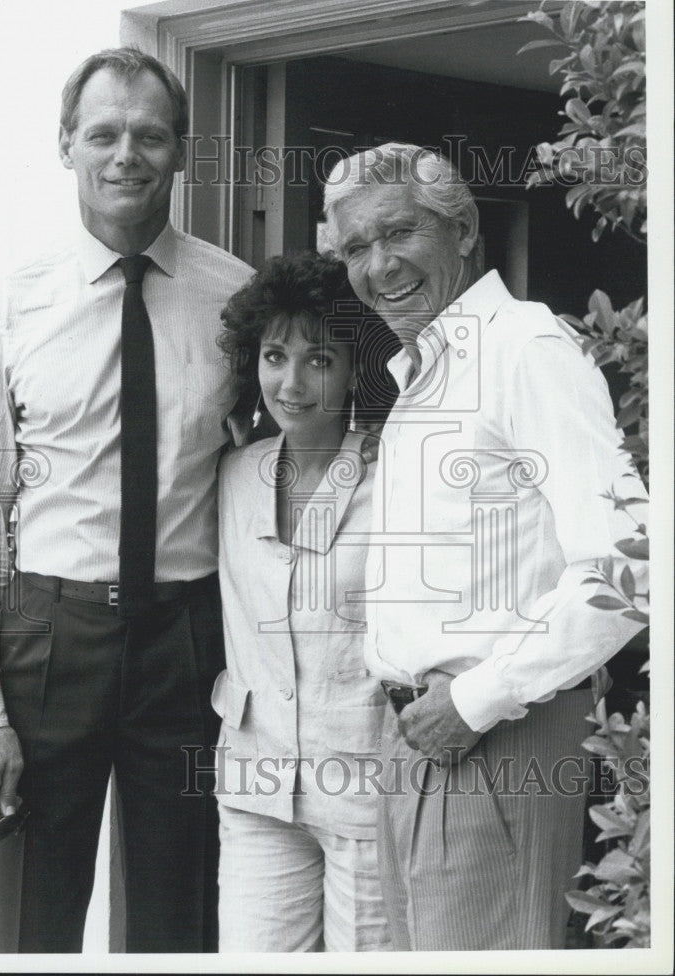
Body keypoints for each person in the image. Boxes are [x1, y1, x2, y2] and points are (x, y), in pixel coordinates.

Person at [0, 48, 253, 952]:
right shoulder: (12, 303)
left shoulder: (233, 300)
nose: (127, 154)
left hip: (189, 644)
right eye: (104, 133)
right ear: (66, 146)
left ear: (182, 151)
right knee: (32, 923)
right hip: (49, 638)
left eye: (150, 135)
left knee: (179, 921)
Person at [322, 142, 649, 950]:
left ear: (464, 231)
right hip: (421, 742)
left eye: (398, 234)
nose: (378, 266)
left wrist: (476, 701)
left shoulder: (524, 350)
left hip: (494, 740)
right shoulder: (426, 372)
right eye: (356, 248)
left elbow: (632, 566)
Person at [212, 251, 392, 952]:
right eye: (275, 355)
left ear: (353, 370)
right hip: (256, 784)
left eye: (319, 359)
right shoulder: (232, 475)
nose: (291, 382)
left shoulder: (394, 474)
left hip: (364, 791)